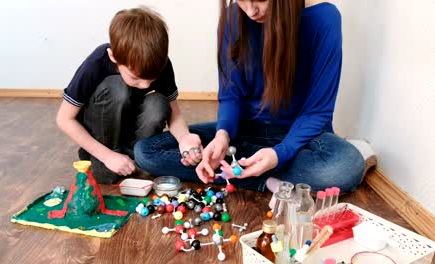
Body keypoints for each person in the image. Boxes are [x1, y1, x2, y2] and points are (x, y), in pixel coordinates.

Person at [135, 0, 376, 196]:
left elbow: (317, 112)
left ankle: (245, 170)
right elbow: (231, 95)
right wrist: (222, 135)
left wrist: (278, 154)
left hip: (301, 137)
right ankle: (267, 178)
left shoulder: (324, 19)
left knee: (345, 168)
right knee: (147, 152)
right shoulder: (232, 17)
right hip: (244, 132)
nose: (250, 10)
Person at [56, 7, 202, 184]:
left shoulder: (160, 63)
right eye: (136, 78)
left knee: (159, 102)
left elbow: (175, 113)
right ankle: (106, 158)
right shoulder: (96, 63)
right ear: (113, 56)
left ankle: (134, 156)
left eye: (151, 78)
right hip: (103, 138)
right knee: (118, 87)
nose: (145, 85)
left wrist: (184, 139)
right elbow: (64, 119)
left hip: (132, 127)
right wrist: (108, 156)